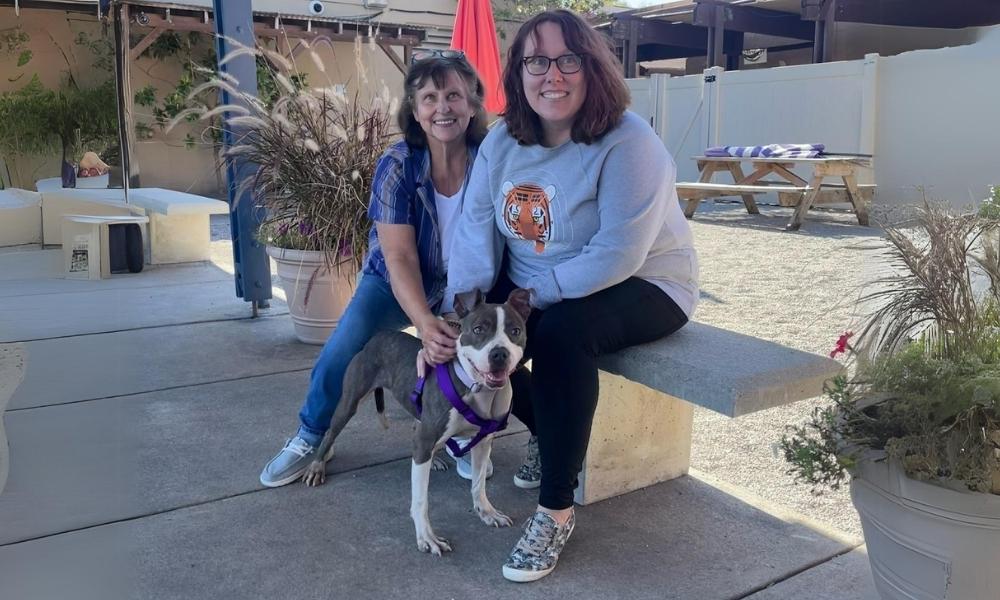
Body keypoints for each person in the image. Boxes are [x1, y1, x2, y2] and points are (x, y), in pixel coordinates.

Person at [441, 10, 699, 582]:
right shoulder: (505, 140)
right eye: (536, 61)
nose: (551, 75)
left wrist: (536, 296)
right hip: (539, 281)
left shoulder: (630, 141)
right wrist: (459, 310)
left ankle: (556, 510)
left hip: (644, 283)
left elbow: (618, 254)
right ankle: (549, 432)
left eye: (567, 60)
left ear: (591, 67)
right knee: (478, 342)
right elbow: (476, 228)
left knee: (557, 336)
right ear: (519, 72)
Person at [260, 50, 491, 487]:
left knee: (467, 355)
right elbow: (400, 255)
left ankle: (462, 435)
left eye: (454, 95)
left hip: (463, 287)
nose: (442, 107)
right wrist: (424, 320)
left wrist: (452, 317)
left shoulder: (491, 160)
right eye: (429, 97)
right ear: (415, 111)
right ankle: (312, 434)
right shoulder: (398, 164)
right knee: (344, 347)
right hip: (393, 281)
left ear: (473, 103)